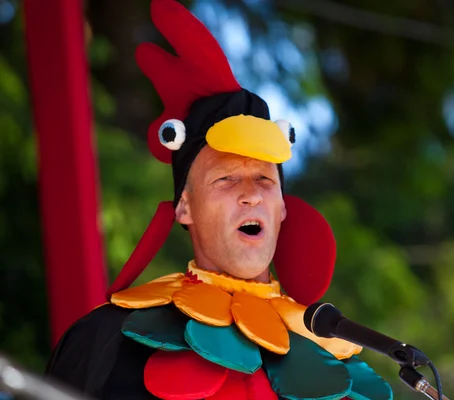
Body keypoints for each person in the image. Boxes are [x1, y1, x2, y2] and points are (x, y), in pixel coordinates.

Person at [45, 0, 392, 399]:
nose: (250, 195)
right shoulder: (108, 339)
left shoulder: (329, 349)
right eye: (226, 179)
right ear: (185, 207)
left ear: (282, 209)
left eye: (264, 178)